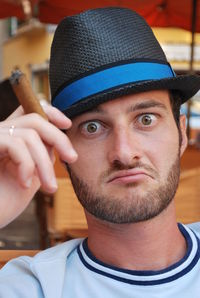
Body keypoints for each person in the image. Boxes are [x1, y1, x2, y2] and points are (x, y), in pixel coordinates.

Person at [0, 6, 200, 297]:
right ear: (61, 148)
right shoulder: (32, 286)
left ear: (182, 134)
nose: (124, 152)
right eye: (92, 127)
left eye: (146, 119)